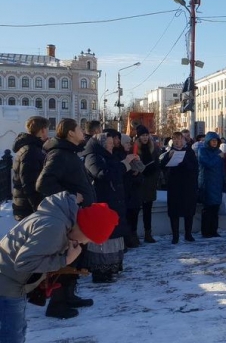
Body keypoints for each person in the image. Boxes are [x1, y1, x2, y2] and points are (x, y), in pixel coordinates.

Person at [0, 191, 118, 343]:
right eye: (89, 239)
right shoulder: (54, 227)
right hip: (6, 285)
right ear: (84, 228)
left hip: (12, 283)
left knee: (18, 331)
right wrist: (65, 260)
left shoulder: (61, 221)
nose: (84, 243)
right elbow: (24, 263)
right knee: (11, 336)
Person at [36, 118, 97, 319]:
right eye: (79, 129)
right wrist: (70, 197)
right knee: (66, 257)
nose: (82, 132)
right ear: (71, 133)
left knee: (76, 256)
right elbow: (43, 184)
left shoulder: (69, 152)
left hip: (77, 216)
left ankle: (69, 295)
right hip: (68, 217)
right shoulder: (60, 154)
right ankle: (57, 304)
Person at [82, 132, 137, 283]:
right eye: (110, 143)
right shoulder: (93, 157)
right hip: (102, 202)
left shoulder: (107, 156)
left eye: (113, 144)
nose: (112, 146)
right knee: (103, 238)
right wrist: (124, 164)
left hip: (112, 201)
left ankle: (111, 268)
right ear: (102, 144)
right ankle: (101, 271)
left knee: (112, 237)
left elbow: (116, 173)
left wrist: (130, 166)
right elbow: (102, 174)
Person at [159, 131, 199, 244]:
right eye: (175, 139)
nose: (178, 141)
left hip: (188, 185)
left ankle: (188, 234)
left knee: (189, 210)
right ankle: (175, 236)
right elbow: (162, 166)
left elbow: (195, 167)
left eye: (180, 139)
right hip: (174, 185)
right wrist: (169, 157)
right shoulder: (169, 151)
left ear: (184, 140)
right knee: (174, 211)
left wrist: (184, 161)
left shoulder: (190, 152)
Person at [12, 116, 49, 221]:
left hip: (25, 205)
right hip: (28, 209)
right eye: (46, 128)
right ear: (42, 130)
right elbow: (29, 183)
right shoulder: (31, 151)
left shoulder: (31, 148)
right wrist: (39, 209)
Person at [135, 125, 161, 243]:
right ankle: (133, 234)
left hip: (150, 183)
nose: (145, 138)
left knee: (148, 210)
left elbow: (157, 163)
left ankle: (148, 234)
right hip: (138, 183)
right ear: (138, 137)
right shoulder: (135, 148)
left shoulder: (153, 148)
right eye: (142, 135)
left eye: (146, 135)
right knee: (134, 210)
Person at [121, 134, 146, 248]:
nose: (129, 145)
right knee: (126, 217)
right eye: (126, 142)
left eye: (129, 143)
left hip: (135, 192)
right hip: (126, 193)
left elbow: (141, 171)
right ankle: (127, 239)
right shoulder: (121, 156)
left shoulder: (133, 155)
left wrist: (138, 172)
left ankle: (133, 236)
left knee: (134, 216)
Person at [198, 132, 225, 238]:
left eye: (216, 141)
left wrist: (224, 182)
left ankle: (214, 230)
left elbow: (222, 169)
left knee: (215, 208)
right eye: (212, 141)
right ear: (208, 141)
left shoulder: (219, 151)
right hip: (207, 183)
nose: (214, 143)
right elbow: (207, 163)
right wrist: (218, 157)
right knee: (207, 208)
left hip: (217, 183)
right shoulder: (202, 151)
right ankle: (206, 231)